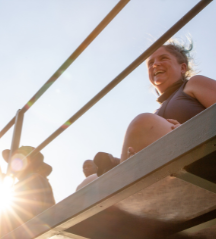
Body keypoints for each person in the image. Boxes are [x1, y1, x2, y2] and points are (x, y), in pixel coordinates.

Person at [83, 40, 216, 183]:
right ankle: (119, 172)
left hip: (204, 158)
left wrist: (192, 131)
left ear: (182, 67)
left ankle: (118, 180)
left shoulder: (193, 84)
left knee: (143, 123)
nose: (155, 64)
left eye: (163, 58)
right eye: (150, 63)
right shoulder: (156, 114)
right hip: (173, 174)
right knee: (87, 183)